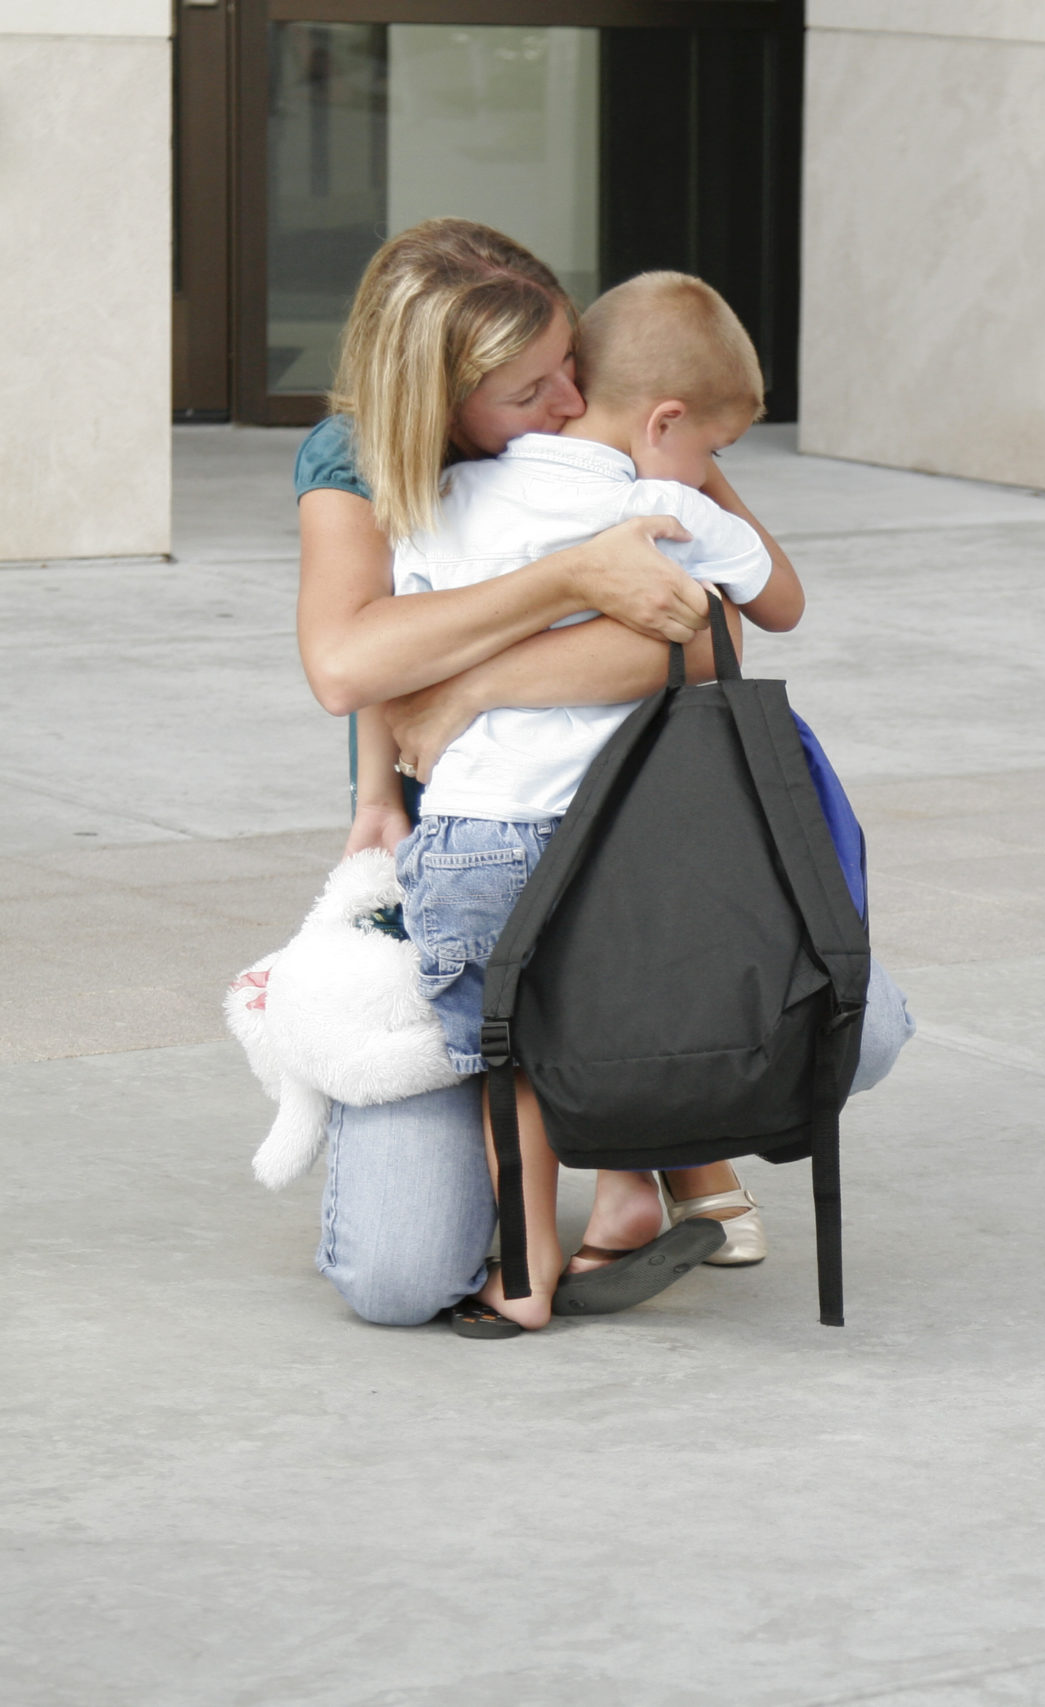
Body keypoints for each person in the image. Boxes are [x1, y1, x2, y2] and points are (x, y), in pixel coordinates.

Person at [295, 219, 909, 1328]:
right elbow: (350, 661)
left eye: (570, 367)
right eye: (531, 393)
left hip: (565, 848)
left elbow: (718, 635)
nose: (572, 407)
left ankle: (638, 1172)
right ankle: (648, 1154)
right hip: (534, 850)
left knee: (847, 1025)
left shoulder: (617, 438)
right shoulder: (374, 468)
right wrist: (574, 575)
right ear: (436, 402)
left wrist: (475, 686)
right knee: (395, 1279)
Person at [392, 271, 803, 1335]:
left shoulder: (440, 495)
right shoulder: (656, 504)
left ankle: (524, 1274)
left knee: (504, 1062)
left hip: (477, 835)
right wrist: (700, 484)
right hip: (618, 846)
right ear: (669, 424)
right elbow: (781, 606)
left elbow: (405, 641)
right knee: (607, 1023)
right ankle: (642, 1184)